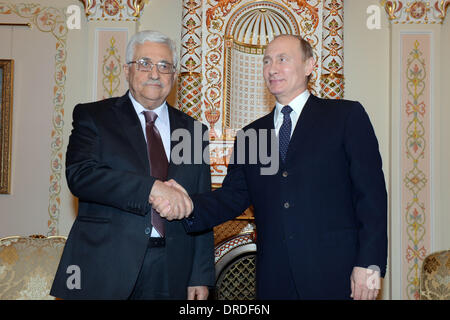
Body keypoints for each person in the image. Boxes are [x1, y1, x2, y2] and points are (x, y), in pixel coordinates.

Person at [153, 34, 388, 300]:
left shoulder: (346, 117)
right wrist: (188, 204)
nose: (272, 68)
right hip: (275, 279)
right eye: (266, 61)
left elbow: (371, 198)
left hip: (338, 275)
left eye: (282, 59)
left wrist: (369, 264)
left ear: (309, 65)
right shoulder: (252, 135)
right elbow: (232, 198)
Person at [50, 30, 215, 300]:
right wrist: (152, 189)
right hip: (105, 264)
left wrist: (200, 274)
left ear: (173, 76)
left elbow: (201, 203)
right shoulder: (94, 116)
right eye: (144, 63)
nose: (155, 73)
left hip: (173, 267)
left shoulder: (194, 131)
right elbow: (81, 175)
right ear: (127, 70)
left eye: (164, 66)